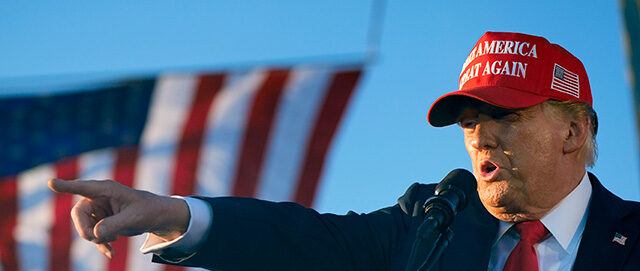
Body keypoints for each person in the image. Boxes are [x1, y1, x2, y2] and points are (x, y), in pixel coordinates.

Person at [49, 32, 640, 270]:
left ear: (573, 132)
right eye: (469, 120)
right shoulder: (433, 221)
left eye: (505, 115)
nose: (480, 136)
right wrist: (177, 213)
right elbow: (304, 239)